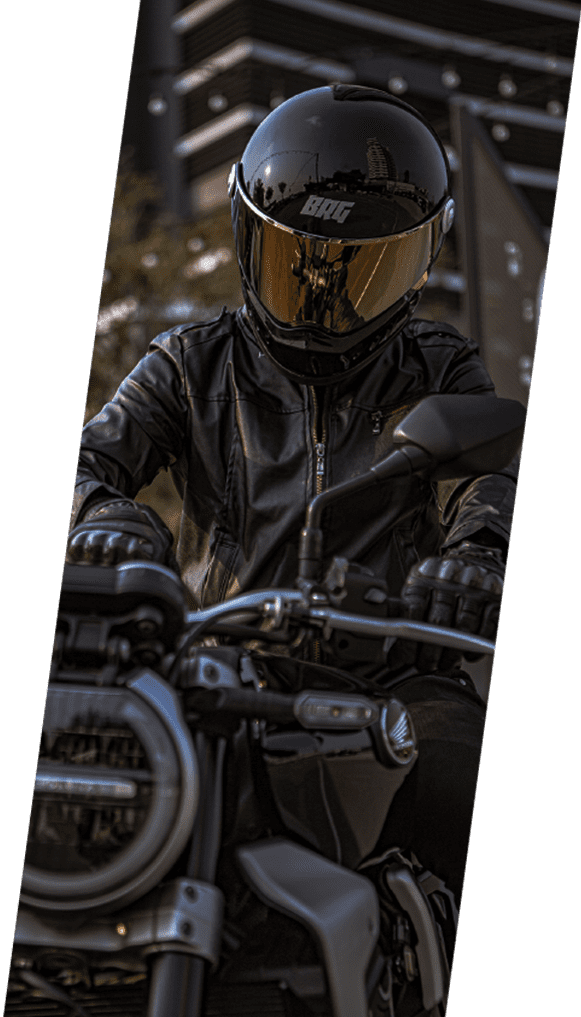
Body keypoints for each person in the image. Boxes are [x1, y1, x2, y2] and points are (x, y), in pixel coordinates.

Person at [67, 85, 516, 906]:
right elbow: (82, 462)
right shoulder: (188, 363)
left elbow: (485, 481)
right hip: (213, 660)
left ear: (418, 263)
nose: (321, 300)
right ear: (247, 237)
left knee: (473, 793)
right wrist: (104, 514)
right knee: (79, 786)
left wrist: (477, 555)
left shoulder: (439, 367)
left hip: (394, 671)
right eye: (296, 262)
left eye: (361, 273)